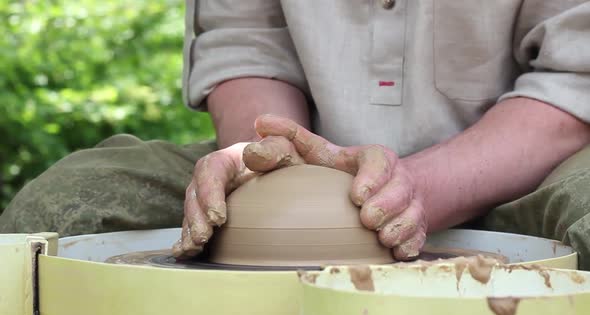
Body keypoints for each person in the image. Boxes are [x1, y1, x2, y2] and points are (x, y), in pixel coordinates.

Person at [2, 1, 590, 268]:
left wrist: (416, 190)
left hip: (522, 172)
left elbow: (575, 76)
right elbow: (244, 41)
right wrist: (265, 158)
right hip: (294, 162)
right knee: (60, 210)